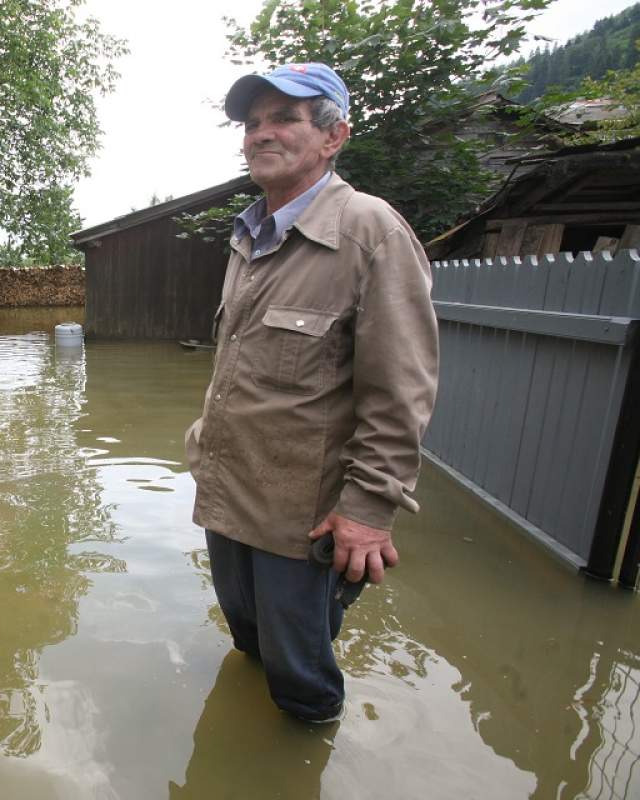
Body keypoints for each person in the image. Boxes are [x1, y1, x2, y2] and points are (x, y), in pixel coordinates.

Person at [184, 63, 439, 722]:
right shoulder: (250, 235)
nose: (262, 134)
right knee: (247, 640)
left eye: (284, 119)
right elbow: (242, 366)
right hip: (228, 492)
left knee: (301, 678)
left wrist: (369, 508)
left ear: (333, 137)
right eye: (253, 122)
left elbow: (400, 390)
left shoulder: (368, 232)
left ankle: (302, 753)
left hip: (302, 516)